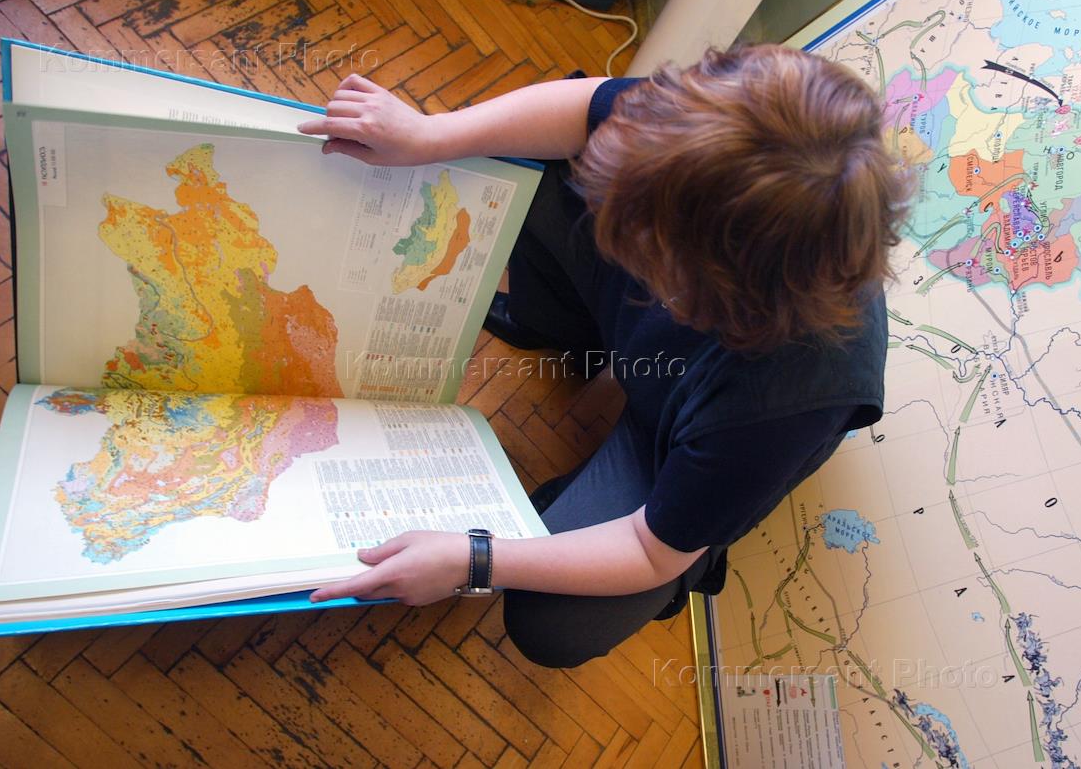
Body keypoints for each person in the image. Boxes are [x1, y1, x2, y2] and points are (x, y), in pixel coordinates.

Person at [300, 45, 909, 668]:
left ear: (703, 292)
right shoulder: (726, 124)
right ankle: (561, 325)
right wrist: (428, 135)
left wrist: (474, 560)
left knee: (556, 626)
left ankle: (646, 506)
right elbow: (583, 109)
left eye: (645, 248)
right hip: (653, 341)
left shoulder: (784, 408)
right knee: (521, 161)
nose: (620, 238)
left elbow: (650, 551)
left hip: (668, 445)